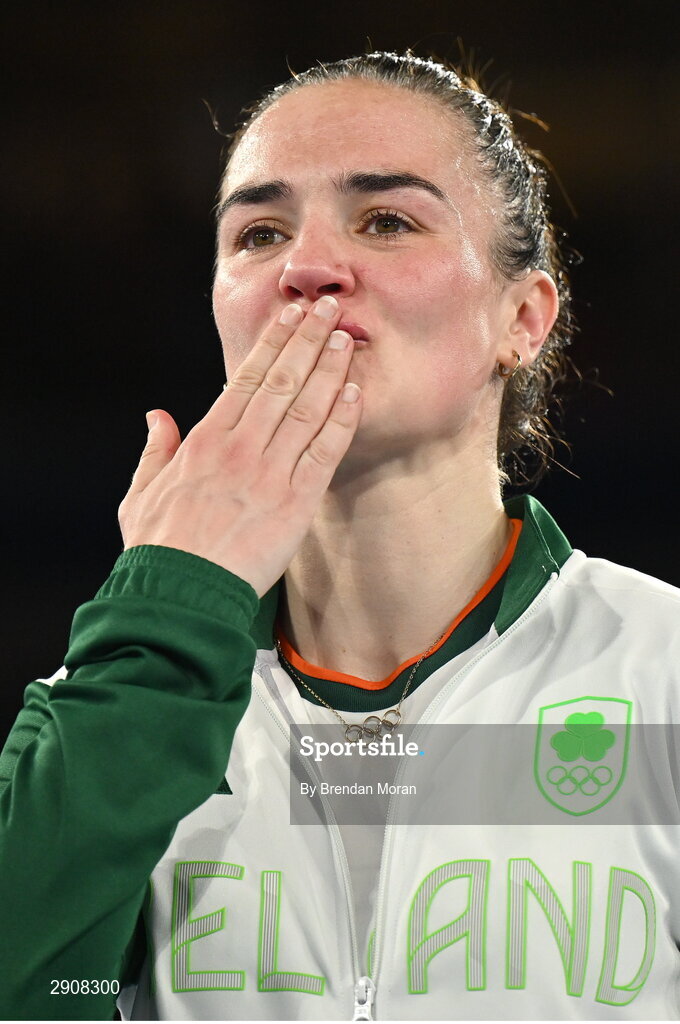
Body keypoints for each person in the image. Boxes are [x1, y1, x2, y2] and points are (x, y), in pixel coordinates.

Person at [1, 49, 679, 1022]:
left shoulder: (659, 669)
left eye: (386, 220)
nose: (307, 268)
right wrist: (163, 613)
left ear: (520, 318)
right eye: (259, 233)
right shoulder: (118, 697)